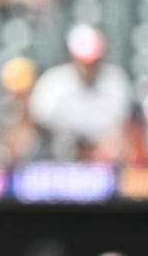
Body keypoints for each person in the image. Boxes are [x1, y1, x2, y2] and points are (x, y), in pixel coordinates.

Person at [29, 23, 132, 161]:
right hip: (58, 156)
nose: (88, 67)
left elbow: (124, 128)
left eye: (93, 61)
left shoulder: (116, 82)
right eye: (83, 62)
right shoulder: (53, 83)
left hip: (104, 158)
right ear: (72, 57)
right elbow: (39, 125)